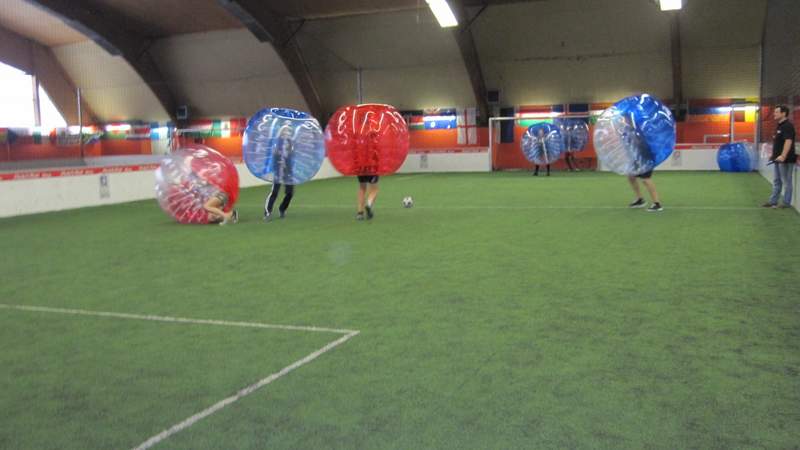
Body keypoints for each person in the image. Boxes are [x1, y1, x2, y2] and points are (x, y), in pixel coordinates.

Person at [762, 105, 796, 209]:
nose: (774, 114)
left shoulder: (788, 126)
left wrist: (783, 155)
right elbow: (778, 143)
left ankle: (786, 203)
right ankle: (773, 201)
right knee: (777, 180)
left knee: (786, 181)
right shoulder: (779, 126)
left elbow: (788, 141)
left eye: (777, 112)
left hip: (785, 159)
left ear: (783, 113)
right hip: (777, 159)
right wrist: (773, 156)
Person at [264, 126, 295, 221]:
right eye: (285, 131)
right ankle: (268, 212)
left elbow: (292, 156)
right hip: (278, 171)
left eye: (288, 131)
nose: (287, 133)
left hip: (288, 172)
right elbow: (273, 157)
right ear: (281, 132)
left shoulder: (290, 143)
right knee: (274, 192)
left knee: (290, 193)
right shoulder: (277, 143)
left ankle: (282, 208)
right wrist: (273, 170)